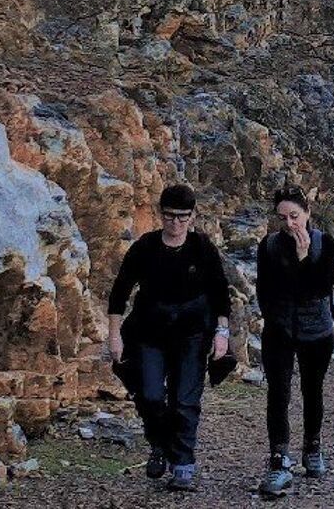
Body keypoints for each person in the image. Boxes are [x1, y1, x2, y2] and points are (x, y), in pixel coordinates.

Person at [107, 184, 232, 492]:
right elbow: (120, 292)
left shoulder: (202, 248)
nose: (176, 223)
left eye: (182, 217)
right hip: (150, 331)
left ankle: (183, 464)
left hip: (192, 332)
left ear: (192, 217)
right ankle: (160, 443)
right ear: (160, 214)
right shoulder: (145, 247)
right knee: (150, 394)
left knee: (185, 399)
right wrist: (114, 335)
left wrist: (222, 332)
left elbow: (220, 292)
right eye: (170, 216)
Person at [255, 186, 334, 499]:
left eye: (294, 216)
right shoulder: (269, 246)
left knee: (312, 390)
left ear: (307, 213)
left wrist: (303, 259)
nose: (290, 224)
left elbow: (318, 288)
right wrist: (274, 319)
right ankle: (279, 459)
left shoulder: (325, 243)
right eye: (283, 218)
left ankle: (312, 447)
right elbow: (265, 290)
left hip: (316, 329)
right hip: (280, 329)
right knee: (278, 393)